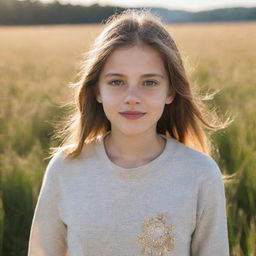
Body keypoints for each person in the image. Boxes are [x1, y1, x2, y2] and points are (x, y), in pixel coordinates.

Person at [28, 9, 231, 256]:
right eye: (116, 82)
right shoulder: (65, 169)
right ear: (97, 91)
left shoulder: (200, 174)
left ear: (170, 92)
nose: (132, 98)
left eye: (149, 82)